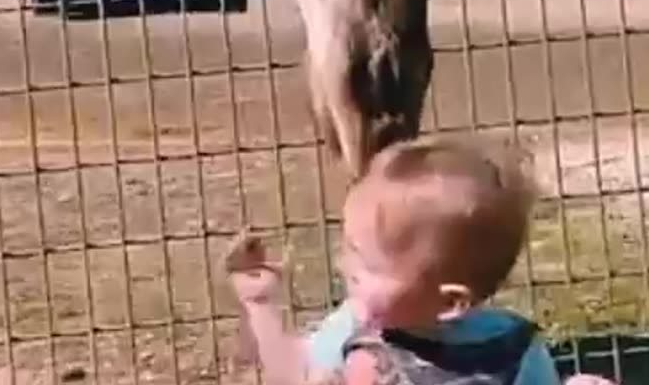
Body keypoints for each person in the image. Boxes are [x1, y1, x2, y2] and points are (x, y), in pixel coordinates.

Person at [222, 133, 618, 385]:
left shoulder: (512, 351)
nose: (345, 269)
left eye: (369, 267)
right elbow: (295, 375)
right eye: (350, 253)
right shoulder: (354, 331)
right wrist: (261, 305)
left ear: (450, 301)